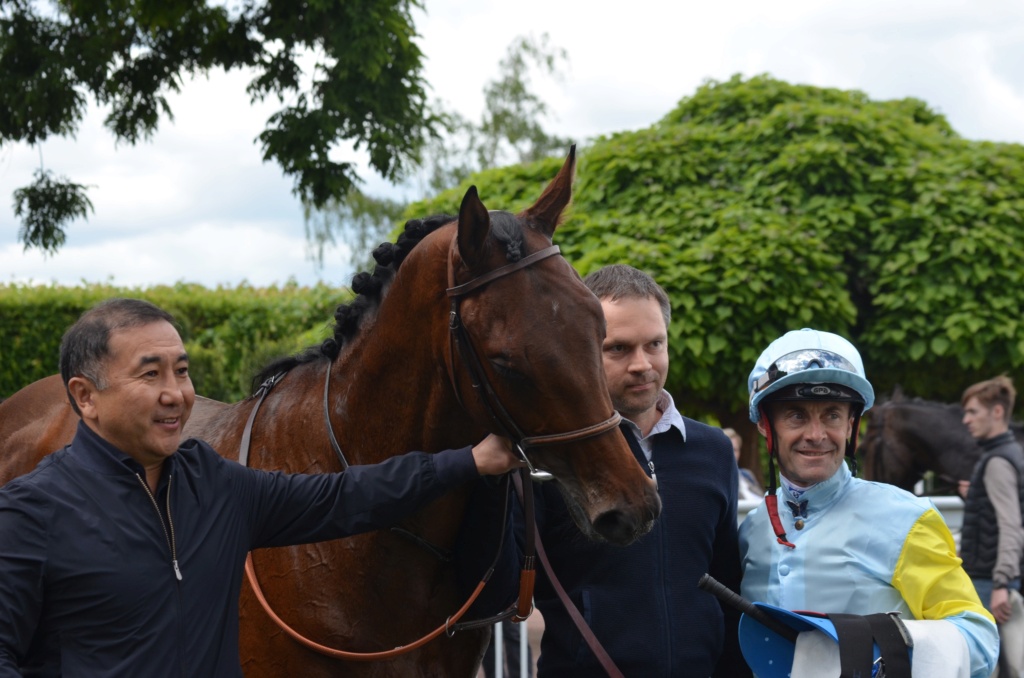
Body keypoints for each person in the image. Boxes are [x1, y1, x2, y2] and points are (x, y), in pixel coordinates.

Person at [0, 298, 522, 676]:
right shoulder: (32, 510)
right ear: (85, 396)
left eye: (181, 372)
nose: (175, 394)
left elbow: (344, 497)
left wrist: (469, 462)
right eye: (150, 374)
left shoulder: (215, 483)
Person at [524, 264, 748, 677]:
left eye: (654, 344)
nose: (642, 364)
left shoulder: (713, 450)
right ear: (583, 349)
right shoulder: (551, 458)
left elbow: (727, 585)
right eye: (619, 349)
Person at [739, 328, 999, 678]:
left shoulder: (907, 518)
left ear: (851, 426)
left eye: (832, 414)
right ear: (765, 427)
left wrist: (881, 649)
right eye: (796, 415)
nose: (816, 435)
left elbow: (980, 639)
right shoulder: (751, 530)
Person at [959, 375, 1024, 676]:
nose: (966, 419)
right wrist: (975, 495)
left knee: (995, 667)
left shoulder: (997, 461)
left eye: (973, 412)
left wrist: (1001, 583)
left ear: (997, 412)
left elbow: (1012, 525)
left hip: (990, 582)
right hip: (992, 578)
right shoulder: (1007, 454)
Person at [724, 426, 764, 501]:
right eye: (727, 449)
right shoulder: (715, 480)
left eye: (735, 450)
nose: (731, 454)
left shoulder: (746, 475)